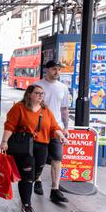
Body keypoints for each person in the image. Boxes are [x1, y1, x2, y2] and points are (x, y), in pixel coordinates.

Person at [0, 85, 69, 212]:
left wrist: (61, 135)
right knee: (28, 176)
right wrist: (4, 141)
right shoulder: (19, 108)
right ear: (29, 94)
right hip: (25, 146)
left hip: (42, 147)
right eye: (37, 93)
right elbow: (10, 125)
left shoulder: (46, 111)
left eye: (42, 94)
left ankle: (27, 189)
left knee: (36, 173)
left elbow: (54, 127)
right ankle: (26, 205)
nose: (40, 96)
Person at [33, 60, 70, 203]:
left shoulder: (63, 88)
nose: (57, 72)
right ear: (47, 70)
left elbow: (64, 109)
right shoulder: (37, 86)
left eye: (59, 69)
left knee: (57, 158)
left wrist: (65, 127)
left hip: (56, 129)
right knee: (38, 157)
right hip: (39, 128)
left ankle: (55, 189)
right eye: (54, 69)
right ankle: (37, 180)